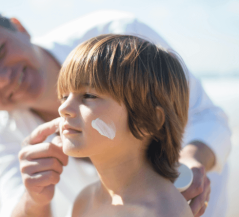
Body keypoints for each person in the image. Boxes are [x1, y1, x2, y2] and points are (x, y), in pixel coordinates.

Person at [0, 6, 231, 217]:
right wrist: (34, 199)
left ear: (19, 28)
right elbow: (13, 207)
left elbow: (206, 117)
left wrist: (190, 164)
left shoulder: (125, 42)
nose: (2, 78)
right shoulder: (84, 201)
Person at [57, 34, 193, 217]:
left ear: (149, 120)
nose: (64, 108)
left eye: (89, 96)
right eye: (64, 96)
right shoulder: (84, 200)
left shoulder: (163, 211)